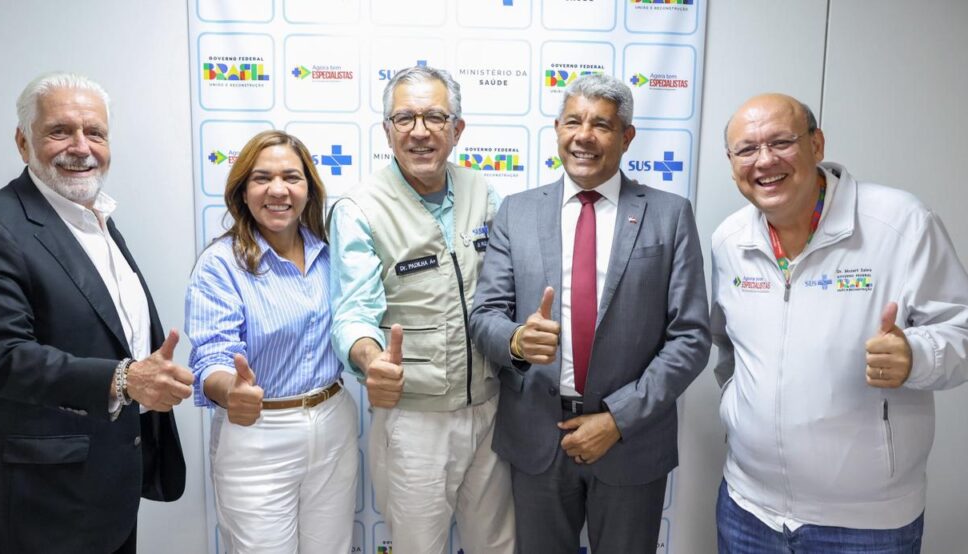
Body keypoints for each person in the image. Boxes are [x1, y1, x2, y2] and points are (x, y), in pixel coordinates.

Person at [0, 72, 191, 553]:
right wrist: (123, 379)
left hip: (106, 489)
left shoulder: (96, 220)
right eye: (60, 131)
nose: (81, 147)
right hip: (36, 502)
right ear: (23, 142)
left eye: (95, 132)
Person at [711, 93, 968, 553]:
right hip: (747, 508)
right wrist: (738, 406)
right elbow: (727, 348)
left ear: (816, 144)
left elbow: (961, 329)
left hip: (867, 525)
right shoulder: (729, 241)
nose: (764, 161)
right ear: (732, 164)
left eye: (781, 142)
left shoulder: (900, 223)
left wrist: (917, 355)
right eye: (746, 149)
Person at [470, 73, 711, 553]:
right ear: (557, 130)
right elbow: (485, 316)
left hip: (631, 440)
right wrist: (516, 341)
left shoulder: (669, 215)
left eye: (601, 124)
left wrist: (618, 419)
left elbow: (690, 337)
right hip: (537, 436)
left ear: (627, 136)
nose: (584, 136)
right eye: (573, 122)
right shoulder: (516, 212)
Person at [329, 65, 515, 553]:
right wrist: (371, 359)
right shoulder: (359, 208)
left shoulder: (484, 193)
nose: (419, 131)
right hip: (415, 422)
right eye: (404, 118)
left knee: (497, 546)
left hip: (491, 409)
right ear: (387, 130)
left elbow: (508, 288)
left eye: (435, 117)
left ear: (457, 129)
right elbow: (352, 312)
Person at [186, 130, 357, 553]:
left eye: (291, 178)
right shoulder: (220, 265)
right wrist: (230, 391)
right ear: (242, 192)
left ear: (308, 189)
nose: (278, 190)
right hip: (258, 433)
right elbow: (211, 356)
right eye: (262, 178)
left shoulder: (331, 255)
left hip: (333, 423)